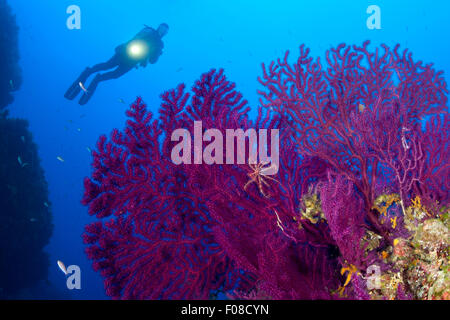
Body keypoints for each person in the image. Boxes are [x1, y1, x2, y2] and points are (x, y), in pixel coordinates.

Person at [65, 23, 169, 105]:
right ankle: (89, 71)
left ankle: (98, 78)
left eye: (165, 30)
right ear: (158, 27)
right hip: (126, 52)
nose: (162, 30)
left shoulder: (160, 45)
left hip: (132, 62)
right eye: (162, 27)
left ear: (165, 33)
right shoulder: (149, 31)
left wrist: (157, 54)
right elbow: (137, 37)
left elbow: (152, 61)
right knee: (107, 65)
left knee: (115, 75)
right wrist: (124, 46)